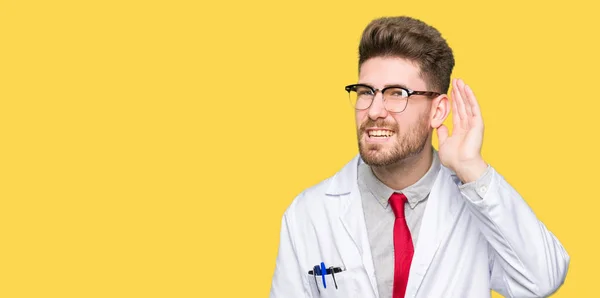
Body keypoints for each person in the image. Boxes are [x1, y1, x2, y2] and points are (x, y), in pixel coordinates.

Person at [269, 16, 569, 298]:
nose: (374, 111)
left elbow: (542, 279)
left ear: (437, 111)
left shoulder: (478, 207)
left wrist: (471, 168)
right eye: (365, 91)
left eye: (396, 93)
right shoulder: (308, 213)